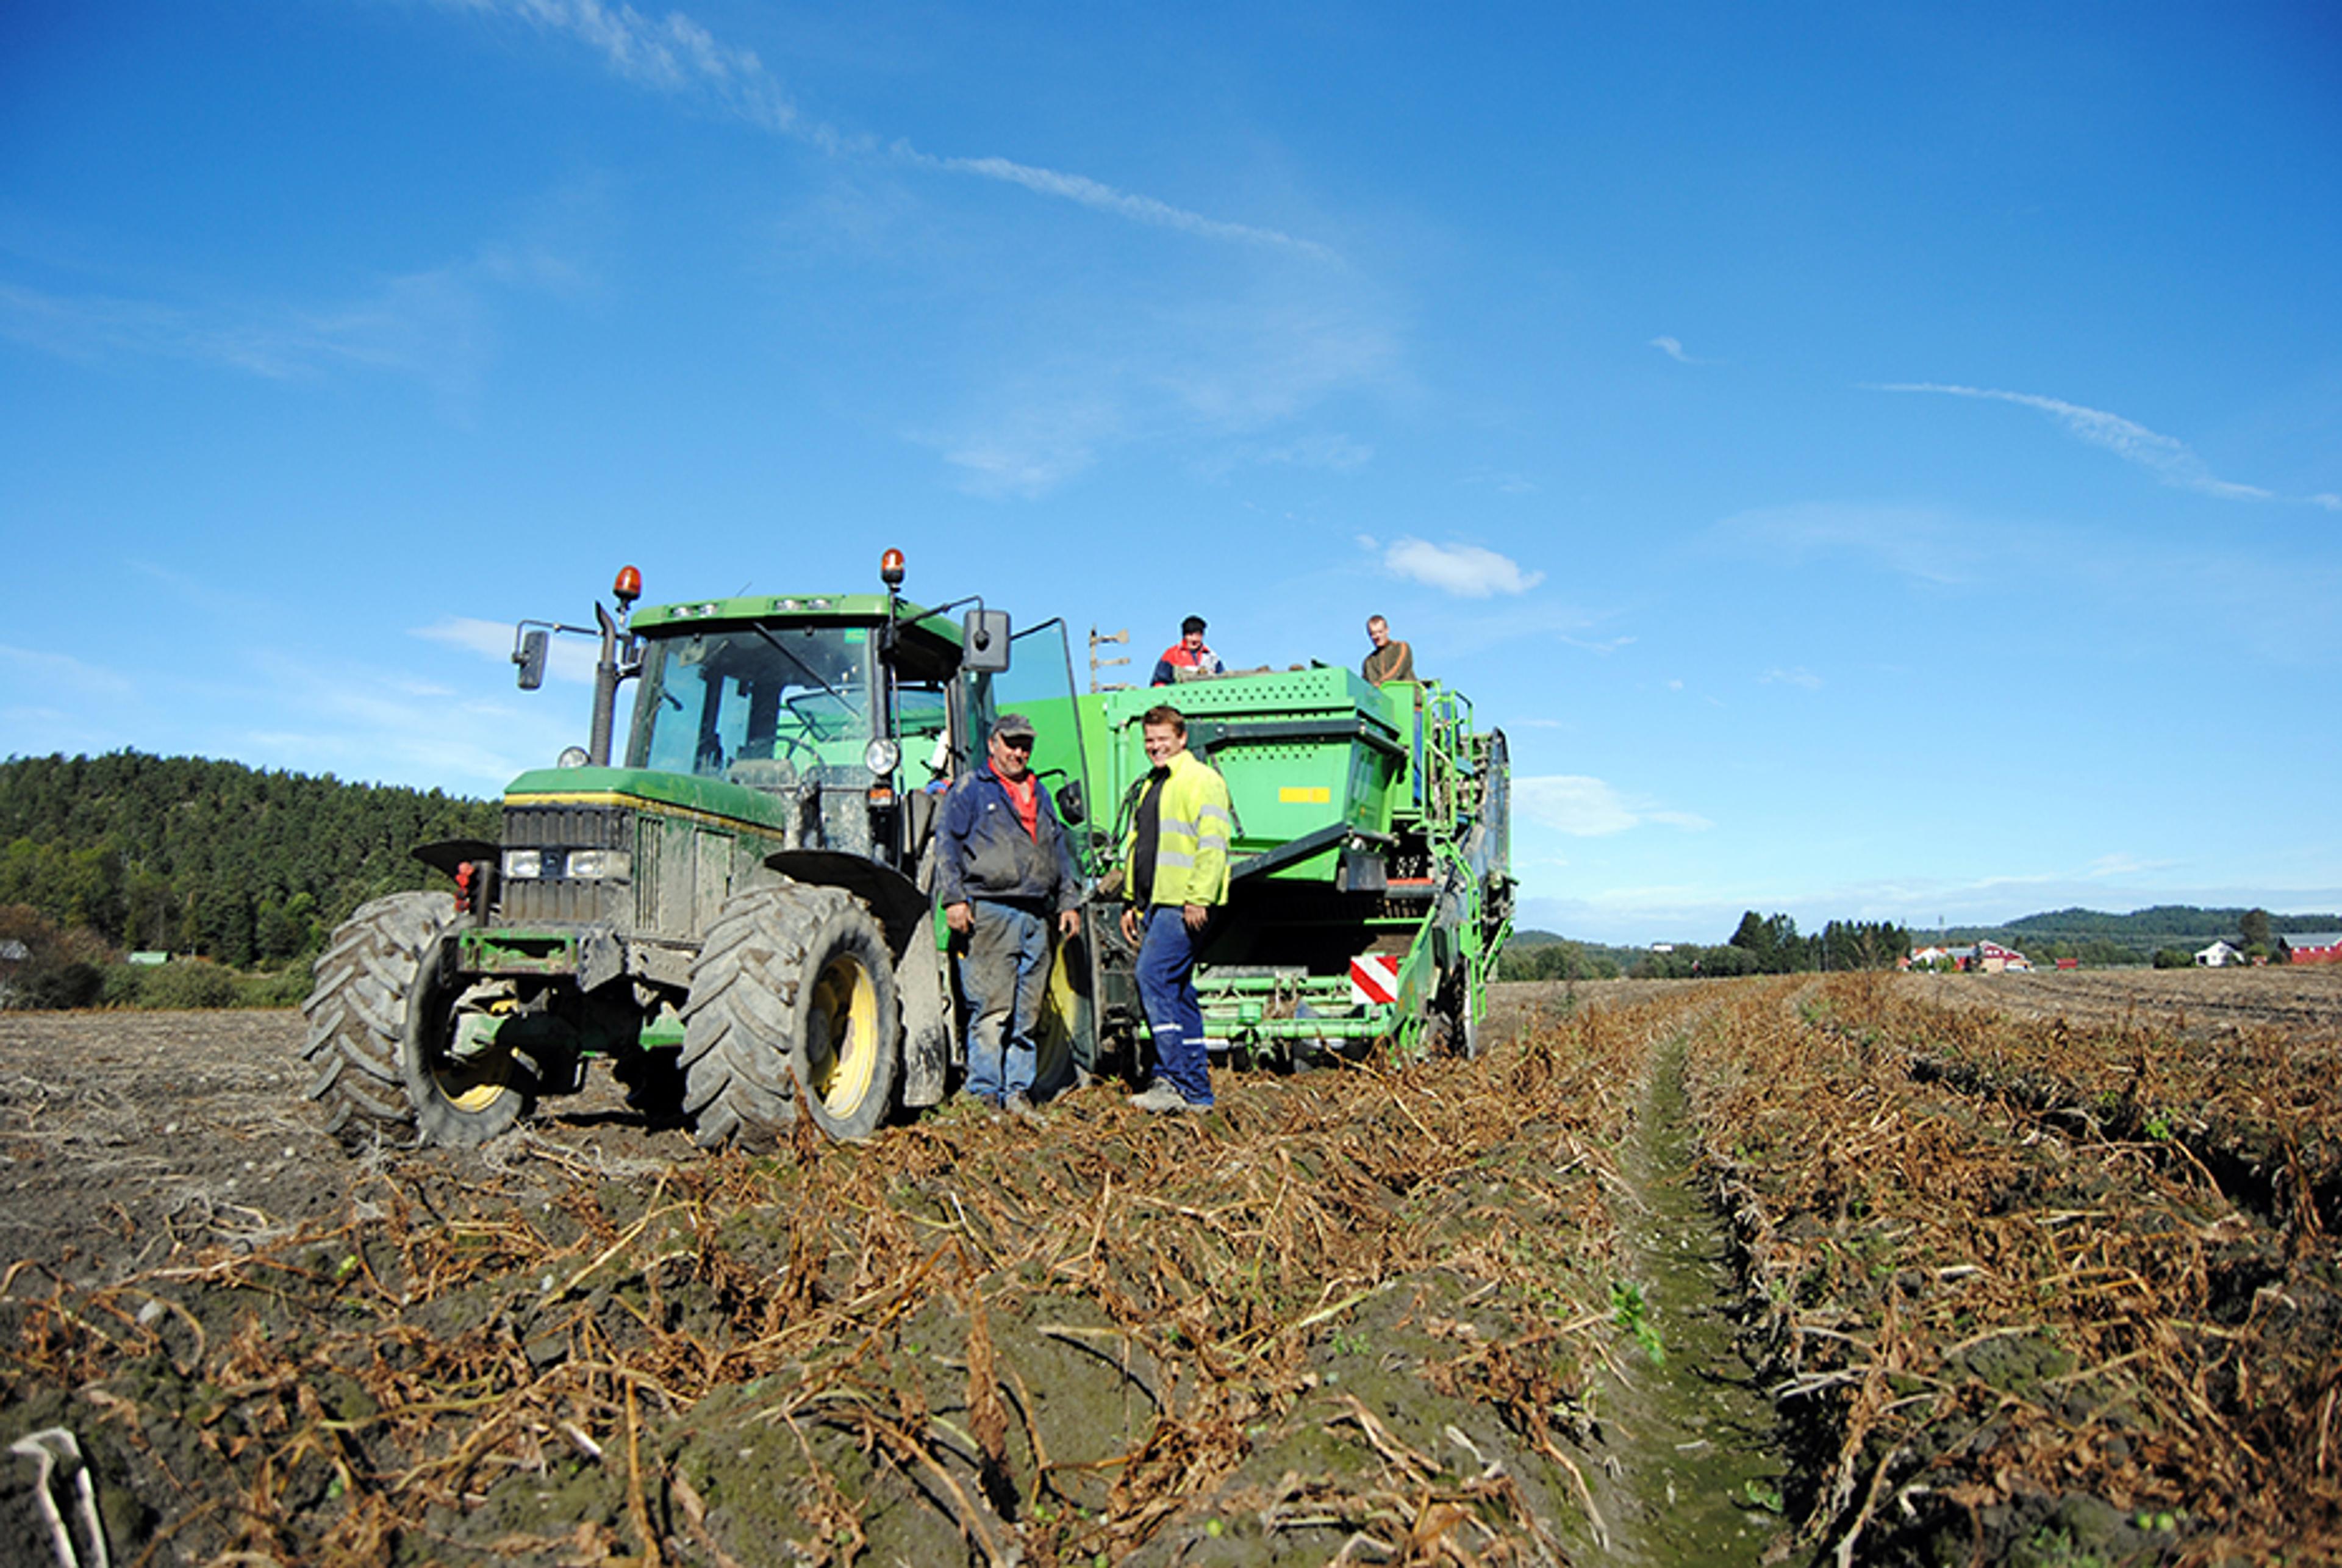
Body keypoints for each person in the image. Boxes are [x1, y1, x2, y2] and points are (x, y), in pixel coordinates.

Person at [937, 714, 1083, 1121]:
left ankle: (1017, 1092)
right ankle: (984, 1095)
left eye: (1026, 746)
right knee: (991, 1009)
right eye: (1012, 744)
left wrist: (1068, 901)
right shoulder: (971, 788)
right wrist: (954, 899)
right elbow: (947, 844)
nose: (1019, 753)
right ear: (993, 743)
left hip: (1036, 913)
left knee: (1028, 1012)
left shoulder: (1041, 792)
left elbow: (1058, 850)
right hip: (990, 911)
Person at [1117, 705, 1233, 1113]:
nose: (1155, 747)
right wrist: (1131, 900)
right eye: (1149, 740)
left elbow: (1213, 843)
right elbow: (1140, 846)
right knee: (1179, 990)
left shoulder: (1203, 780)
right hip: (1156, 902)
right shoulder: (1152, 784)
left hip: (1182, 902)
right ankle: (1197, 1091)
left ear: (1182, 738)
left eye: (1163, 739)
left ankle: (1172, 1079)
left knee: (1152, 975)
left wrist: (1199, 896)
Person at [1150, 615, 1223, 686]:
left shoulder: (1211, 656)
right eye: (1191, 635)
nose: (1194, 639)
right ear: (1185, 635)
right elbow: (1160, 681)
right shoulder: (1171, 654)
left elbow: (1223, 679)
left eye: (1198, 635)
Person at [1362, 615, 1416, 685]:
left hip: (1405, 690)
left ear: (1387, 630)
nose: (1377, 636)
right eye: (1373, 634)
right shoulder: (1369, 662)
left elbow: (1398, 669)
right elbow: (1364, 685)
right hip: (1380, 692)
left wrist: (1380, 683)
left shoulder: (1402, 647)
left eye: (1380, 632)